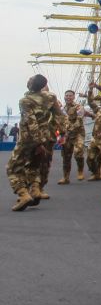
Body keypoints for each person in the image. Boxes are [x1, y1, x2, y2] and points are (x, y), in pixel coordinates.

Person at [8, 75, 59, 211]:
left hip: (28, 140)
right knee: (34, 165)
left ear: (31, 84)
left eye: (29, 79)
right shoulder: (50, 97)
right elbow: (60, 115)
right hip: (46, 137)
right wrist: (62, 134)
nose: (28, 80)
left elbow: (31, 123)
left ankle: (23, 194)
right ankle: (35, 190)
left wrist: (38, 143)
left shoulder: (25, 101)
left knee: (13, 168)